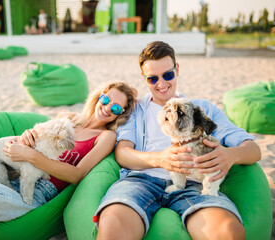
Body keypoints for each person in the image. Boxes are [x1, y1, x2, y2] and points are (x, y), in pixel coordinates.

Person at [0, 82, 138, 240]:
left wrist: (32, 156)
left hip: (36, 192)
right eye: (107, 99)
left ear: (121, 114)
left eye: (116, 108)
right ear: (100, 95)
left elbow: (77, 174)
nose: (108, 107)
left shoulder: (106, 137)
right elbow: (35, 136)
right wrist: (27, 138)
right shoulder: (68, 119)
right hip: (10, 173)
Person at [95, 41, 261, 240]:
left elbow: (254, 150)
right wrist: (160, 159)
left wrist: (230, 156)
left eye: (168, 75)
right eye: (152, 78)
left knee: (227, 232)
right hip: (140, 181)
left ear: (177, 69)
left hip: (194, 185)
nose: (161, 84)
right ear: (144, 78)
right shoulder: (136, 109)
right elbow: (122, 153)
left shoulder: (201, 108)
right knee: (113, 227)